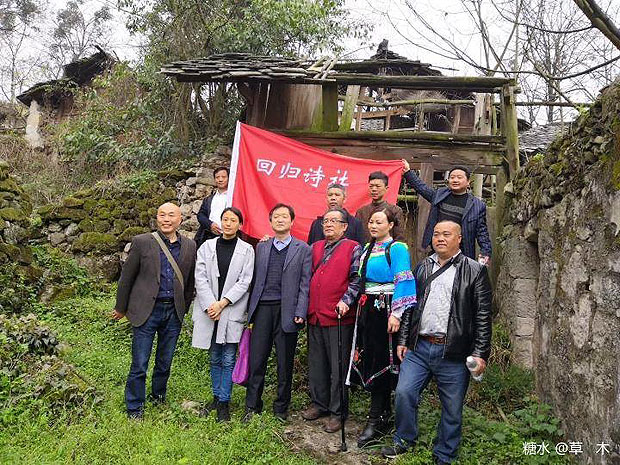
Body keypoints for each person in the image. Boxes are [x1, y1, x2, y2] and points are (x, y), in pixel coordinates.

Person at [381, 220, 492, 463]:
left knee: (452, 407)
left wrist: (480, 353)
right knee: (404, 393)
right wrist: (403, 339)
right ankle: (404, 439)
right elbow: (410, 306)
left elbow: (483, 316)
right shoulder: (422, 267)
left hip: (454, 351)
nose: (440, 238)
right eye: (436, 234)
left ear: (459, 239)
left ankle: (445, 453)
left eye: (446, 234)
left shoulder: (475, 270)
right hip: (419, 347)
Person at [113, 202, 197, 419]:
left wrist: (183, 308)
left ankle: (158, 397)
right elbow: (127, 277)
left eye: (171, 215)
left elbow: (189, 283)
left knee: (164, 361)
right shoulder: (142, 242)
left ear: (180, 219)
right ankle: (134, 407)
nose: (166, 219)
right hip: (147, 310)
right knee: (140, 362)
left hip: (173, 312)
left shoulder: (190, 246)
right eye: (162, 215)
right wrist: (121, 307)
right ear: (157, 218)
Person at [347, 209, 416, 448]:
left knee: (383, 361)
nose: (373, 225)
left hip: (386, 310)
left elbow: (404, 280)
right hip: (368, 310)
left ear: (391, 224)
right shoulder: (367, 249)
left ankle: (376, 417)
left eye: (379, 221)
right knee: (371, 358)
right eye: (371, 221)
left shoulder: (397, 249)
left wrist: (396, 314)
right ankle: (383, 412)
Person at [244, 203, 312, 422]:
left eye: (284, 216)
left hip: (287, 311)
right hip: (262, 309)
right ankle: (252, 406)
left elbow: (305, 283)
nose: (280, 220)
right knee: (257, 360)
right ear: (271, 221)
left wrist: (301, 310)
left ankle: (281, 408)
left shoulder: (303, 249)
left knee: (284, 363)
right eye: (276, 217)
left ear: (292, 222)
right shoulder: (262, 247)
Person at [301, 207, 362, 433]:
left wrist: (346, 301)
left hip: (339, 317)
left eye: (334, 221)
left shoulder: (353, 247)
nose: (328, 224)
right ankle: (320, 403)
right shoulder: (315, 247)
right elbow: (305, 278)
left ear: (344, 226)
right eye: (325, 221)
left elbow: (357, 279)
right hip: (315, 315)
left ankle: (338, 412)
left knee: (338, 367)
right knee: (317, 364)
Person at [192, 207, 254, 422]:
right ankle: (216, 396)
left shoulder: (247, 250)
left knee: (228, 358)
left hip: (231, 309)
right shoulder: (207, 247)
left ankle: (224, 402)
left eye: (233, 220)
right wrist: (212, 305)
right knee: (214, 357)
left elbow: (245, 281)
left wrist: (223, 303)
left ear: (240, 225)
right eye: (225, 219)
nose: (228, 224)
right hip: (210, 310)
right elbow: (200, 277)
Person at [401, 160, 491, 263]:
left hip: (462, 253)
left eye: (459, 177)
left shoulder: (477, 205)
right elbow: (422, 188)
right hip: (438, 249)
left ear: (468, 181)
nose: (455, 180)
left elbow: (482, 232)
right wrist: (408, 172)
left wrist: (485, 252)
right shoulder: (440, 195)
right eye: (452, 177)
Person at [355, 171, 406, 244]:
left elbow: (399, 238)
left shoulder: (395, 210)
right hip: (365, 249)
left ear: (386, 188)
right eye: (371, 186)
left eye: (378, 186)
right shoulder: (361, 211)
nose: (374, 189)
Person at [195, 166, 229, 247]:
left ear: (229, 178)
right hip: (208, 236)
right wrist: (210, 225)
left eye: (223, 177)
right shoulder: (208, 199)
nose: (220, 180)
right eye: (217, 177)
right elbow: (201, 215)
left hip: (228, 237)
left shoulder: (235, 198)